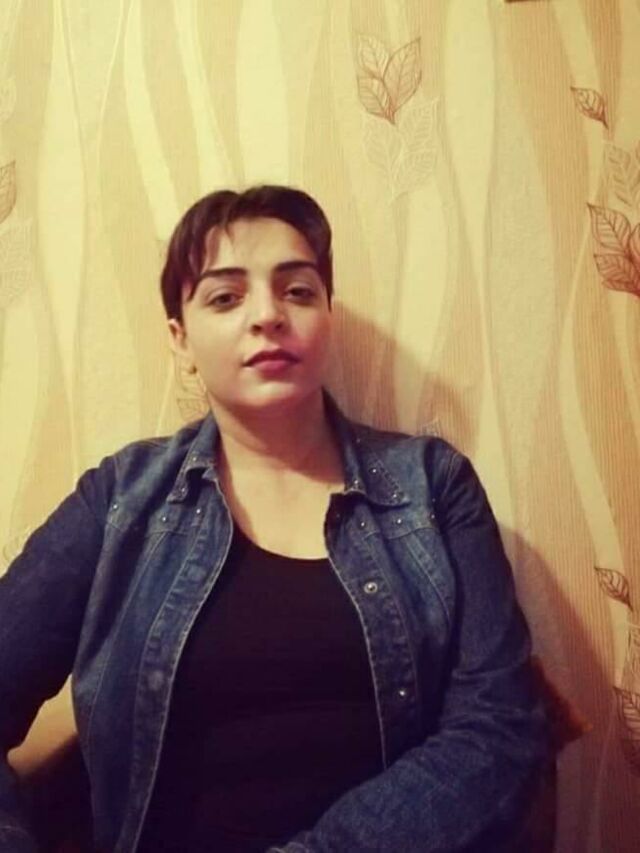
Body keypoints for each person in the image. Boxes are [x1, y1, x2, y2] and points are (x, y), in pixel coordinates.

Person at [0, 186, 548, 853]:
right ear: (180, 338)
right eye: (225, 297)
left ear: (326, 317)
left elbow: (499, 730)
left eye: (297, 291)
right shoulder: (120, 499)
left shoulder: (433, 485)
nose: (267, 315)